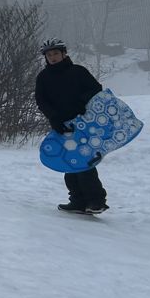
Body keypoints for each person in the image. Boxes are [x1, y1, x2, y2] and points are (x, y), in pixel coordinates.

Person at [34, 38, 108, 213]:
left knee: (84, 162)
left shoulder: (78, 72)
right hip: (61, 126)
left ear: (64, 54)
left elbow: (96, 89)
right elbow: (41, 101)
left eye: (56, 54)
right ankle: (77, 201)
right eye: (49, 55)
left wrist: (82, 105)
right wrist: (54, 119)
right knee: (69, 162)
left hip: (83, 124)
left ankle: (96, 201)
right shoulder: (43, 77)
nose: (52, 57)